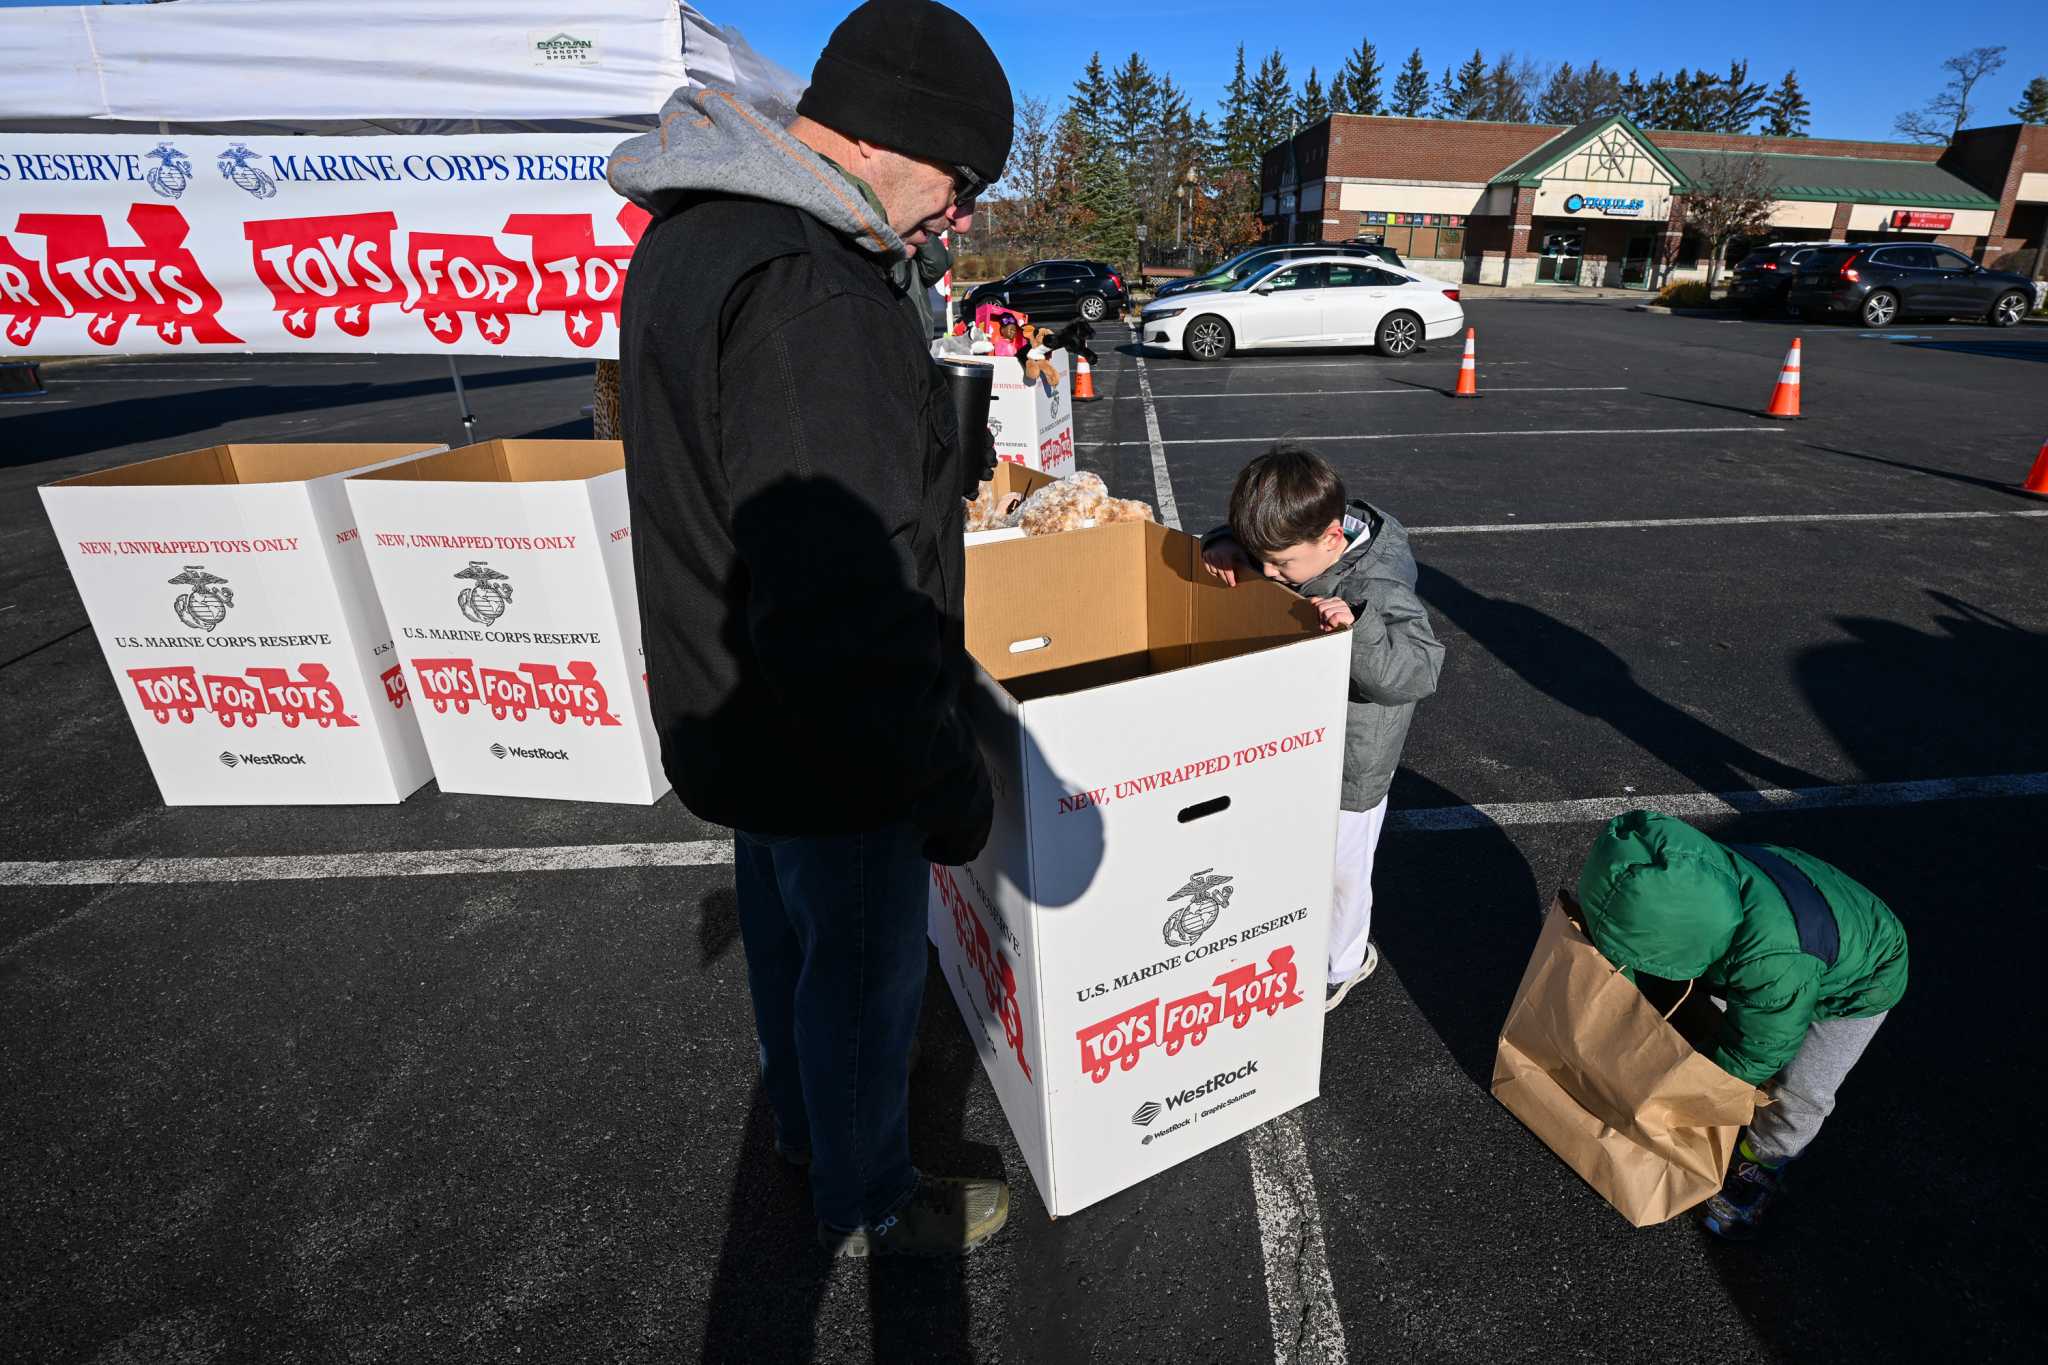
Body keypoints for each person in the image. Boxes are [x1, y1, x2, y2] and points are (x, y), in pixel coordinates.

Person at [609, 0, 1013, 1258]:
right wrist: (943, 778)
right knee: (857, 979)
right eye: (962, 181)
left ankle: (807, 1129)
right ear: (894, 137)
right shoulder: (812, 291)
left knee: (791, 954)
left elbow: (750, 473)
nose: (958, 214)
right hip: (825, 737)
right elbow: (843, 596)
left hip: (740, 708)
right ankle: (870, 1193)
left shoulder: (698, 237)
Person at [1576, 810, 1908, 1241]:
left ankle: (1763, 1160)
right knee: (1720, 1017)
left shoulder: (1773, 962)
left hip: (1862, 982)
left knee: (1799, 1090)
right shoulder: (1697, 880)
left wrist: (1690, 1095)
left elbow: (1758, 1048)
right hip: (1801, 922)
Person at [1199, 446, 1444, 1011]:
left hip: (1351, 761)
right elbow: (1263, 544)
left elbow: (1418, 671)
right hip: (1295, 734)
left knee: (1341, 869)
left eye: (1281, 565)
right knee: (1288, 845)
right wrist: (1223, 540)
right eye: (1261, 559)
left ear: (1333, 540)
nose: (1268, 574)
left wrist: (1356, 631)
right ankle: (1290, 933)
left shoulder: (1377, 585)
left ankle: (1343, 961)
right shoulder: (1298, 535)